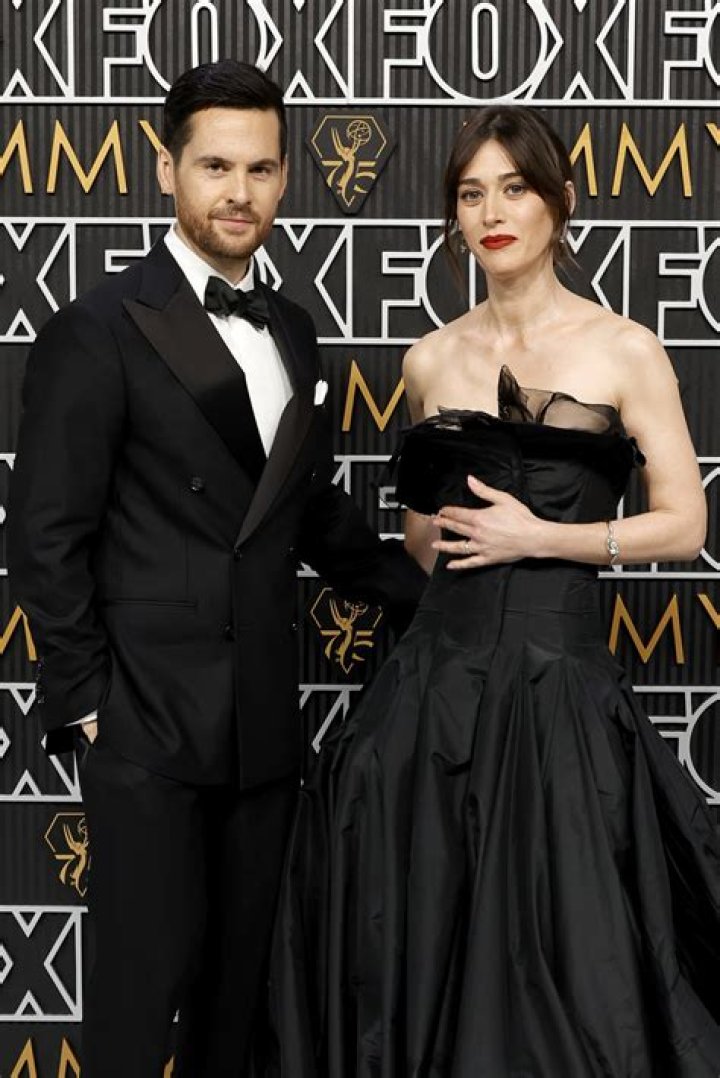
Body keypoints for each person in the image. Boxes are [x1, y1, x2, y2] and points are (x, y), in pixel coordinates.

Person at [267, 105, 720, 1076]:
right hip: (432, 699)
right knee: (416, 952)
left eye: (514, 188)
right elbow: (426, 546)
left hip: (558, 696)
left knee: (571, 972)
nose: (492, 213)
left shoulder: (626, 348)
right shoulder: (431, 360)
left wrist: (543, 536)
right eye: (471, 194)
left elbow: (685, 523)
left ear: (560, 201)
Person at [7, 60, 426, 1078]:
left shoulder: (293, 329)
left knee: (238, 1012)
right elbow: (44, 534)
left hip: (262, 726)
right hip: (147, 723)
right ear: (167, 170)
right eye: (216, 166)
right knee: (134, 1004)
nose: (240, 192)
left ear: (285, 178)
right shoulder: (97, 328)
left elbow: (303, 507)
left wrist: (430, 591)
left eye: (262, 169)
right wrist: (90, 705)